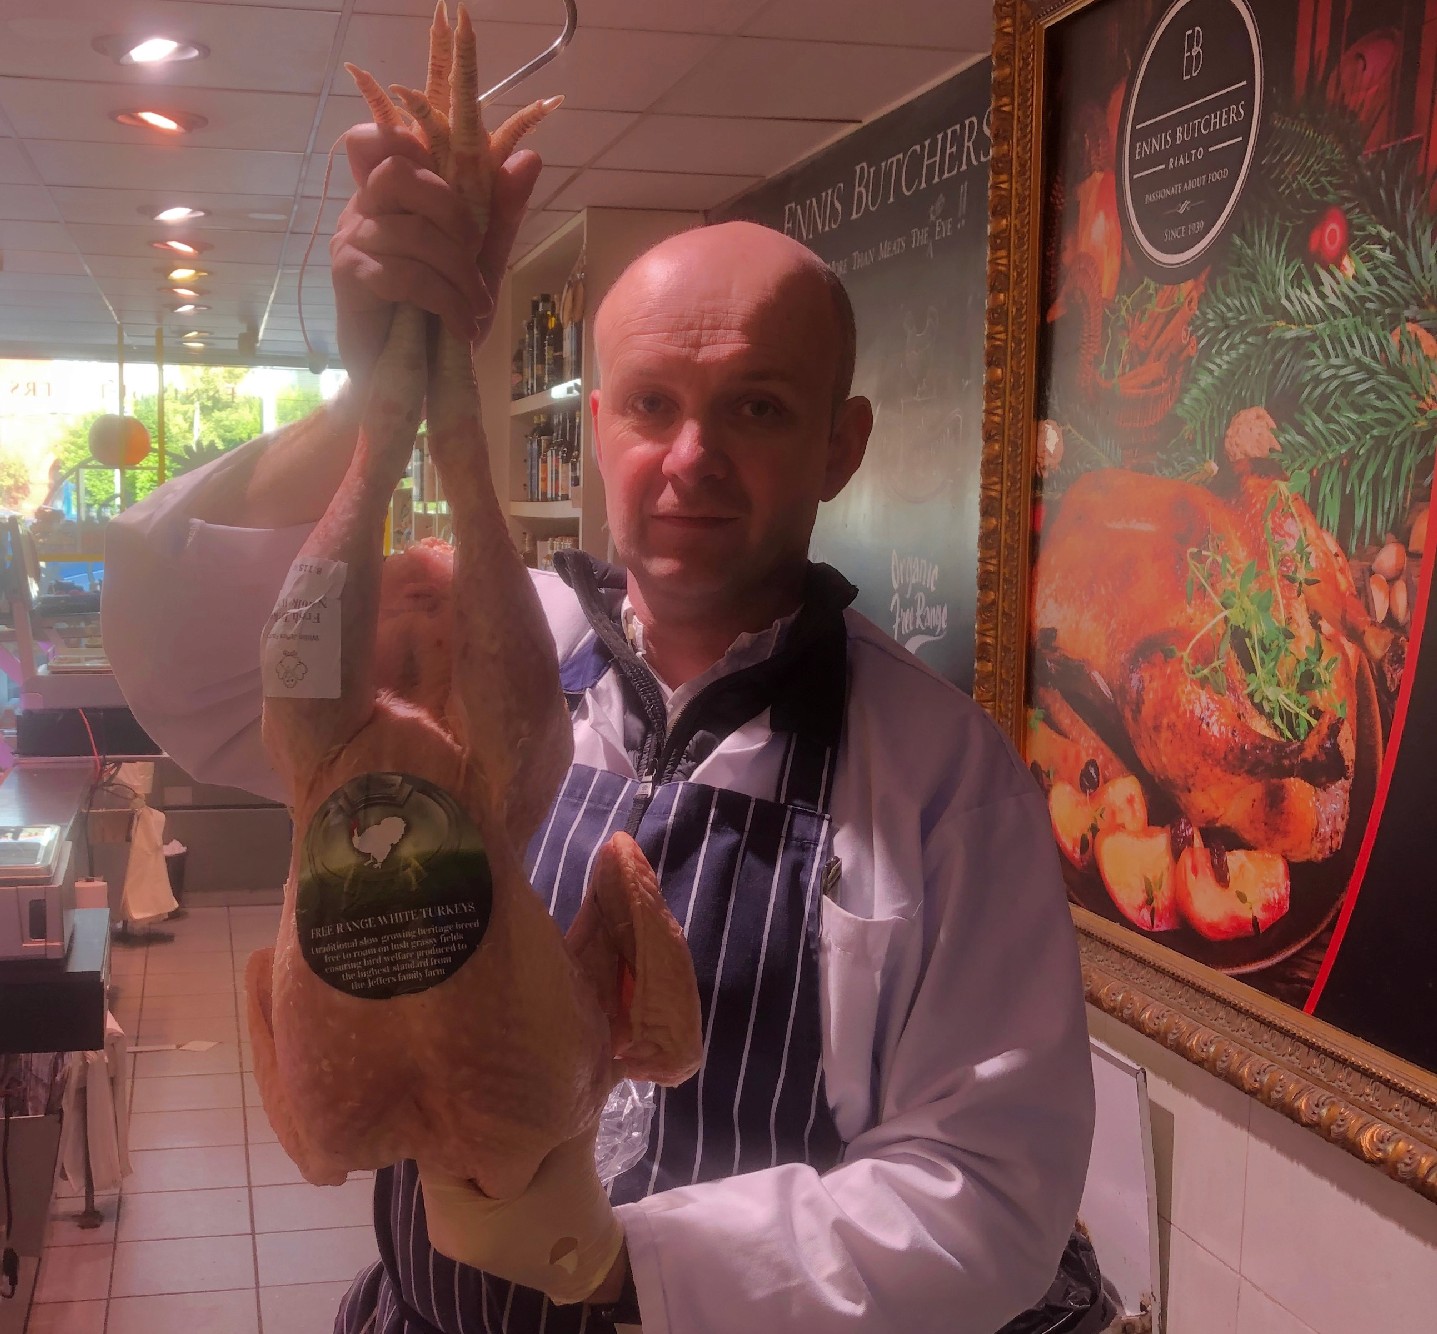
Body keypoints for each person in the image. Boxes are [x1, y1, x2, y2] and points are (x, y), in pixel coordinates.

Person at [102, 121, 1095, 1334]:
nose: (691, 457)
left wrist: (625, 1264)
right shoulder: (489, 648)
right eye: (651, 404)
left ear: (842, 446)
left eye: (759, 409)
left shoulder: (941, 773)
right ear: (602, 423)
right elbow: (186, 662)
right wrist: (377, 398)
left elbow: (987, 1188)